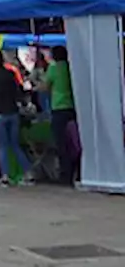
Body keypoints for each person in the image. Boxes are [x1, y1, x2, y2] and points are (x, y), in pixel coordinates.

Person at [0, 49, 32, 185]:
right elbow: (18, 91)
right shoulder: (10, 75)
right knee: (15, 145)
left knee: (3, 146)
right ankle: (28, 172)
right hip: (12, 111)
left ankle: (5, 176)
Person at [47, 45, 78, 185]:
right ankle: (76, 172)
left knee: (61, 144)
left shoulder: (53, 68)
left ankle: (65, 175)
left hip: (58, 108)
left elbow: (46, 85)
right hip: (72, 108)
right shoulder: (72, 67)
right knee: (74, 142)